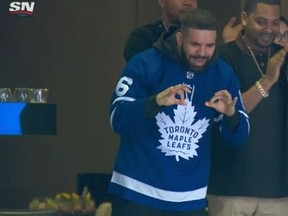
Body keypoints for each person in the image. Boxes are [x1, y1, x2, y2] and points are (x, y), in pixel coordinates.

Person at [108, 8, 250, 216]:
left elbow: (240, 138)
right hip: (135, 193)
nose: (202, 53)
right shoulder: (145, 63)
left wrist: (232, 115)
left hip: (190, 200)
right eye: (195, 44)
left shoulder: (223, 74)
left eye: (209, 45)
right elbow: (116, 118)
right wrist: (154, 102)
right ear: (180, 37)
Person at [208, 0, 288, 215]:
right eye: (261, 22)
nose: (269, 30)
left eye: (274, 23)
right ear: (244, 19)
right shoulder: (223, 57)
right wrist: (268, 80)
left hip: (279, 191)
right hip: (231, 188)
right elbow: (227, 112)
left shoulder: (283, 56)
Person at [123, 0, 242, 62]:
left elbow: (210, 75)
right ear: (162, 1)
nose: (188, 3)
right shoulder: (142, 37)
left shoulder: (203, 38)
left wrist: (227, 47)